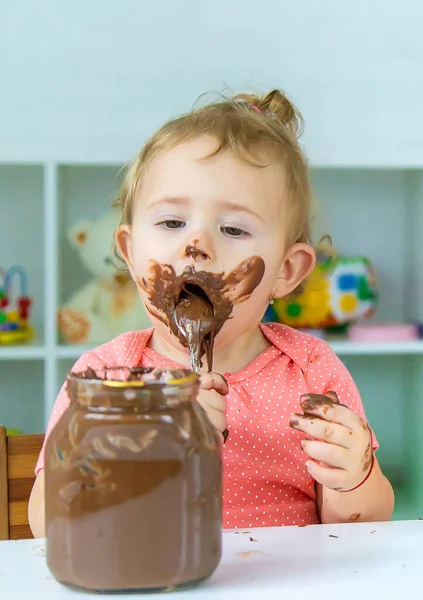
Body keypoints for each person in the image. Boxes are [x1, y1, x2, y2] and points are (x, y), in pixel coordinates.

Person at [29, 89, 394, 537]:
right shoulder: (106, 377)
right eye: (171, 223)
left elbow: (367, 526)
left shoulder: (311, 374)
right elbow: (48, 521)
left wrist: (353, 478)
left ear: (286, 271)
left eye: (233, 228)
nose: (196, 245)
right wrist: (146, 452)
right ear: (129, 250)